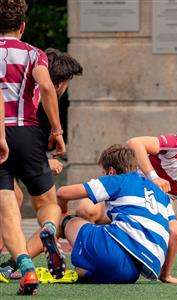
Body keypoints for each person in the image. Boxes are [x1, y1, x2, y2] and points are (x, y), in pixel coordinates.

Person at [77, 126, 177, 283]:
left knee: (174, 232)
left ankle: (164, 274)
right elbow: (135, 143)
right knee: (86, 210)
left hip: (155, 209)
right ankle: (89, 256)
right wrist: (153, 177)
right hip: (129, 192)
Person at [0, 0, 65, 294]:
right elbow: (48, 87)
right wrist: (57, 129)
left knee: (7, 206)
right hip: (27, 131)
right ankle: (49, 230)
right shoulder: (33, 54)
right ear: (22, 26)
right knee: (48, 203)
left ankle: (25, 267)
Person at [0, 48, 83, 254]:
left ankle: (16, 260)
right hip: (12, 139)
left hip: (9, 141)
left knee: (14, 197)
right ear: (59, 83)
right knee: (48, 207)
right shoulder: (36, 97)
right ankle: (18, 259)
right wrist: (56, 136)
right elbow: (22, 143)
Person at [55, 144, 175, 283]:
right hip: (130, 273)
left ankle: (26, 263)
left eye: (104, 171)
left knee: (62, 221)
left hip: (112, 250)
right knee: (86, 270)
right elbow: (175, 233)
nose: (103, 175)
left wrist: (63, 213)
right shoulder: (161, 192)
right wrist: (166, 275)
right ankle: (81, 270)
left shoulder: (119, 180)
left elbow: (62, 193)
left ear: (111, 171)